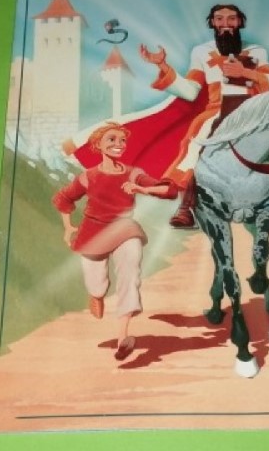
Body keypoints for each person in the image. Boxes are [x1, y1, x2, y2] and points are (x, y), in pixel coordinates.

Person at [138, 3, 269, 228]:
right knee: (198, 142)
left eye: (231, 18)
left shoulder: (256, 51)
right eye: (219, 19)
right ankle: (186, 208)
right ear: (212, 23)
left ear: (240, 22)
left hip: (253, 111)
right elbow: (190, 91)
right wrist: (163, 66)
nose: (225, 23)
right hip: (217, 111)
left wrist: (245, 73)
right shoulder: (201, 52)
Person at [52, 122, 178, 360]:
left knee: (130, 273)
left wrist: (141, 189)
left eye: (122, 140)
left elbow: (168, 190)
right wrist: (67, 228)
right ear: (98, 145)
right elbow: (63, 198)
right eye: (112, 139)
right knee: (96, 284)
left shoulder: (133, 173)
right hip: (93, 234)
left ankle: (123, 337)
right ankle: (96, 295)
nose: (119, 144)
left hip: (124, 229)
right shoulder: (88, 177)